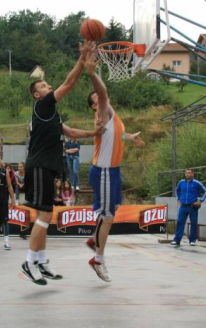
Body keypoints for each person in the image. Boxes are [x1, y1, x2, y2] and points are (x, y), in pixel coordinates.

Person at [21, 40, 105, 286]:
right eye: (45, 85)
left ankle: (42, 260)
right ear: (38, 94)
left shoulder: (51, 115)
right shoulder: (43, 105)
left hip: (46, 167)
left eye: (48, 84)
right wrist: (82, 59)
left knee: (45, 215)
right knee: (44, 215)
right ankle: (29, 261)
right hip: (39, 166)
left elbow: (71, 133)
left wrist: (94, 134)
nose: (49, 86)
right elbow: (69, 83)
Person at [84, 53, 146, 283]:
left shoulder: (113, 118)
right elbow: (102, 93)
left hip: (112, 171)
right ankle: (98, 260)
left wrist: (130, 138)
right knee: (108, 216)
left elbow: (117, 135)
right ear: (94, 105)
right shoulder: (102, 113)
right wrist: (91, 73)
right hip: (104, 172)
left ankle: (93, 240)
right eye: (97, 98)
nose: (101, 98)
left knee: (114, 208)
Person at [171, 169, 206, 246]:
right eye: (186, 173)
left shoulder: (196, 183)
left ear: (192, 174)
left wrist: (200, 200)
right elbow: (177, 190)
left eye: (189, 173)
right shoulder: (181, 182)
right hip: (183, 206)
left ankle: (192, 240)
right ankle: (177, 240)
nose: (187, 174)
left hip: (193, 206)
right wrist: (178, 199)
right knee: (180, 222)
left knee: (193, 223)